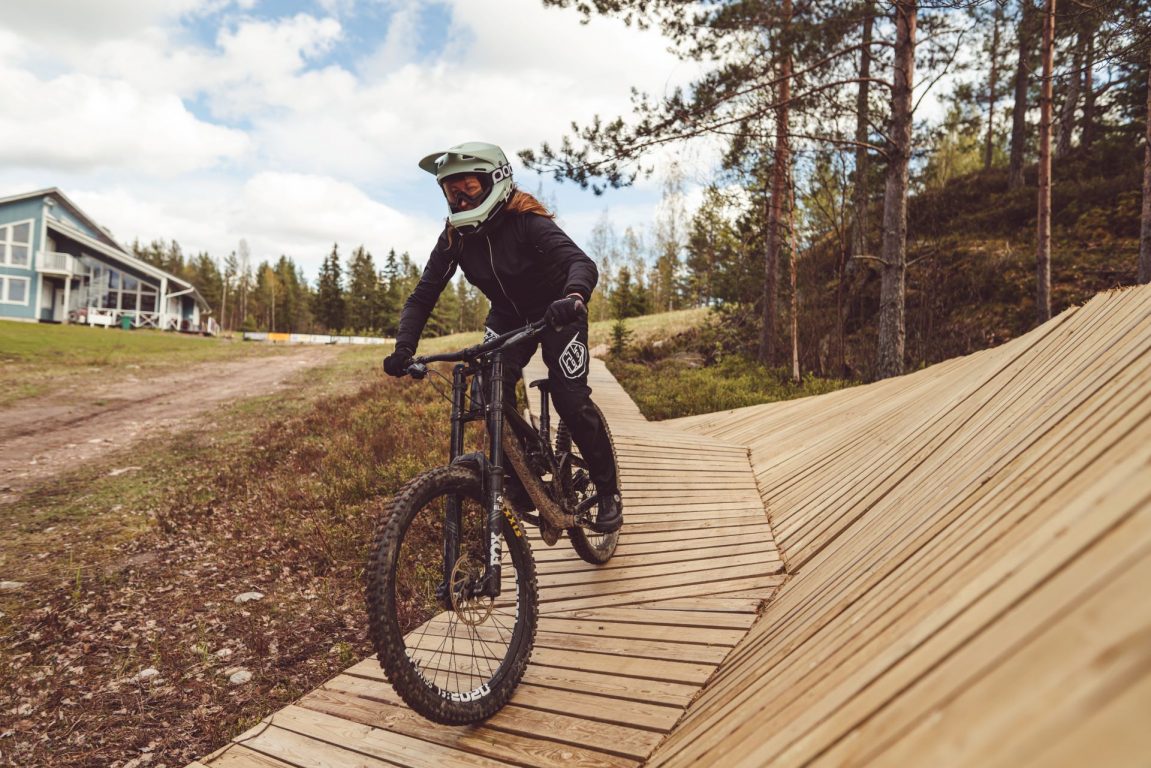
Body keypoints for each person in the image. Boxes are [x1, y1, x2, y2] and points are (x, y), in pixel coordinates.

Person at [383, 141, 622, 534]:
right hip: (509, 316)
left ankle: (609, 490)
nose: (458, 199)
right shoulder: (454, 239)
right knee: (485, 395)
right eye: (450, 191)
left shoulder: (527, 221)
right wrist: (403, 349)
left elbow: (581, 262)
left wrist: (574, 296)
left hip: (558, 311)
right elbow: (423, 294)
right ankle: (523, 469)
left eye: (468, 188)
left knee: (570, 399)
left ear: (496, 181)